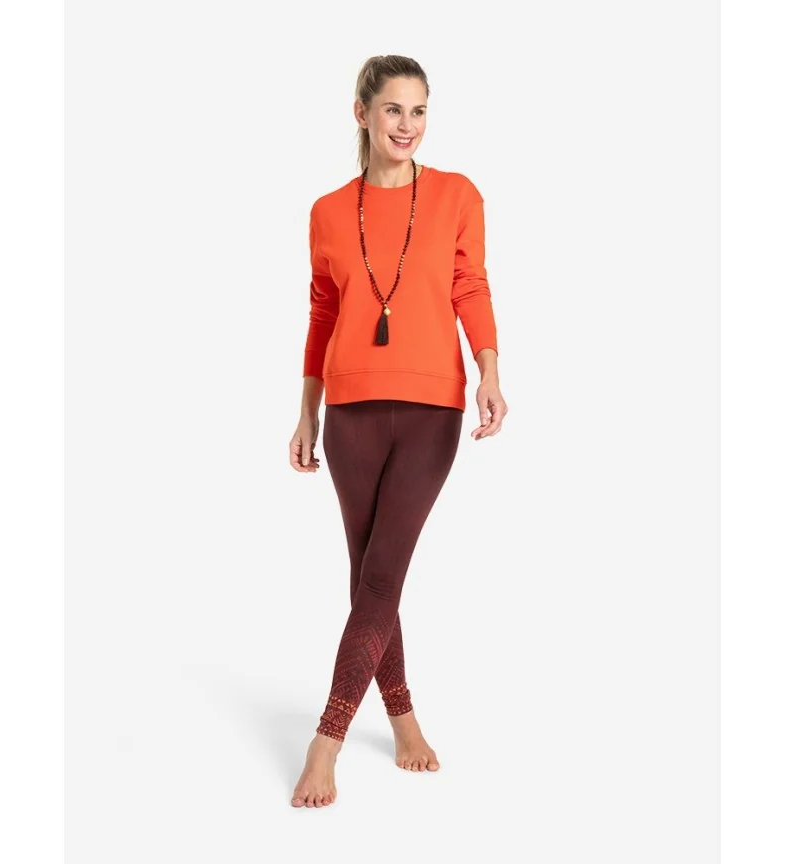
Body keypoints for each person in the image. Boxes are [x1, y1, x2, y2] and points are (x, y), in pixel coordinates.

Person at [288, 54, 508, 808]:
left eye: (418, 111)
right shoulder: (327, 211)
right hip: (349, 410)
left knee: (381, 577)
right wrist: (308, 410)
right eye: (392, 110)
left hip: (431, 408)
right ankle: (404, 720)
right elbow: (322, 313)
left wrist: (490, 371)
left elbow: (469, 284)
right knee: (369, 580)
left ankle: (326, 743)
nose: (406, 125)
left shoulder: (456, 195)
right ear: (362, 114)